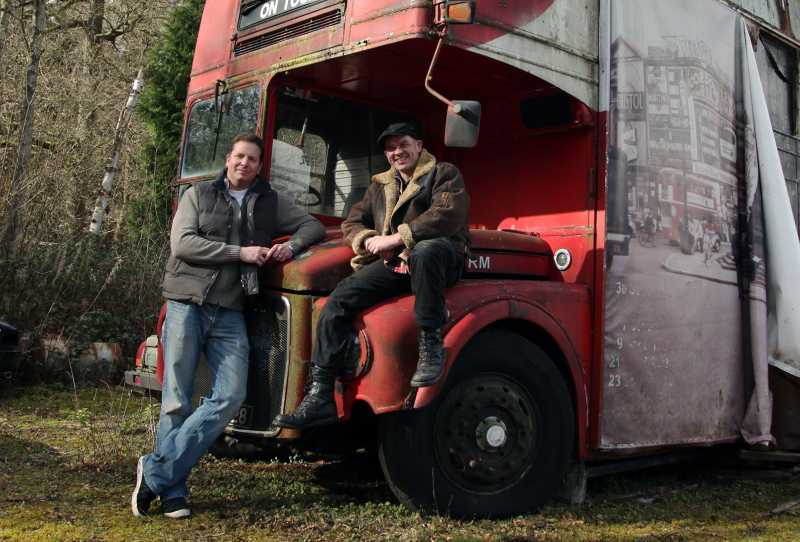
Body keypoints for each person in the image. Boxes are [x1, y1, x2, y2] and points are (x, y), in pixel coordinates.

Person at [131, 133, 325, 518]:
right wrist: (240, 253)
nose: (244, 164)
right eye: (239, 156)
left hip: (231, 309)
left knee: (231, 396)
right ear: (228, 159)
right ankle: (174, 494)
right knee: (176, 401)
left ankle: (155, 472)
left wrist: (290, 247)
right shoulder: (199, 195)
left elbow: (312, 226)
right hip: (187, 303)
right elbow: (183, 244)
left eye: (252, 159)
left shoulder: (268, 201)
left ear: (258, 166)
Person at [272, 122, 470, 431]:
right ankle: (320, 394)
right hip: (397, 263)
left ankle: (431, 346)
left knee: (425, 251)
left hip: (442, 259)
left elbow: (446, 215)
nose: (396, 152)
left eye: (402, 144)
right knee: (338, 300)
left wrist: (396, 239)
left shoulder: (443, 173)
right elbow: (354, 220)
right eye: (390, 147)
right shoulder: (381, 184)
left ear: (418, 145)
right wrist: (366, 239)